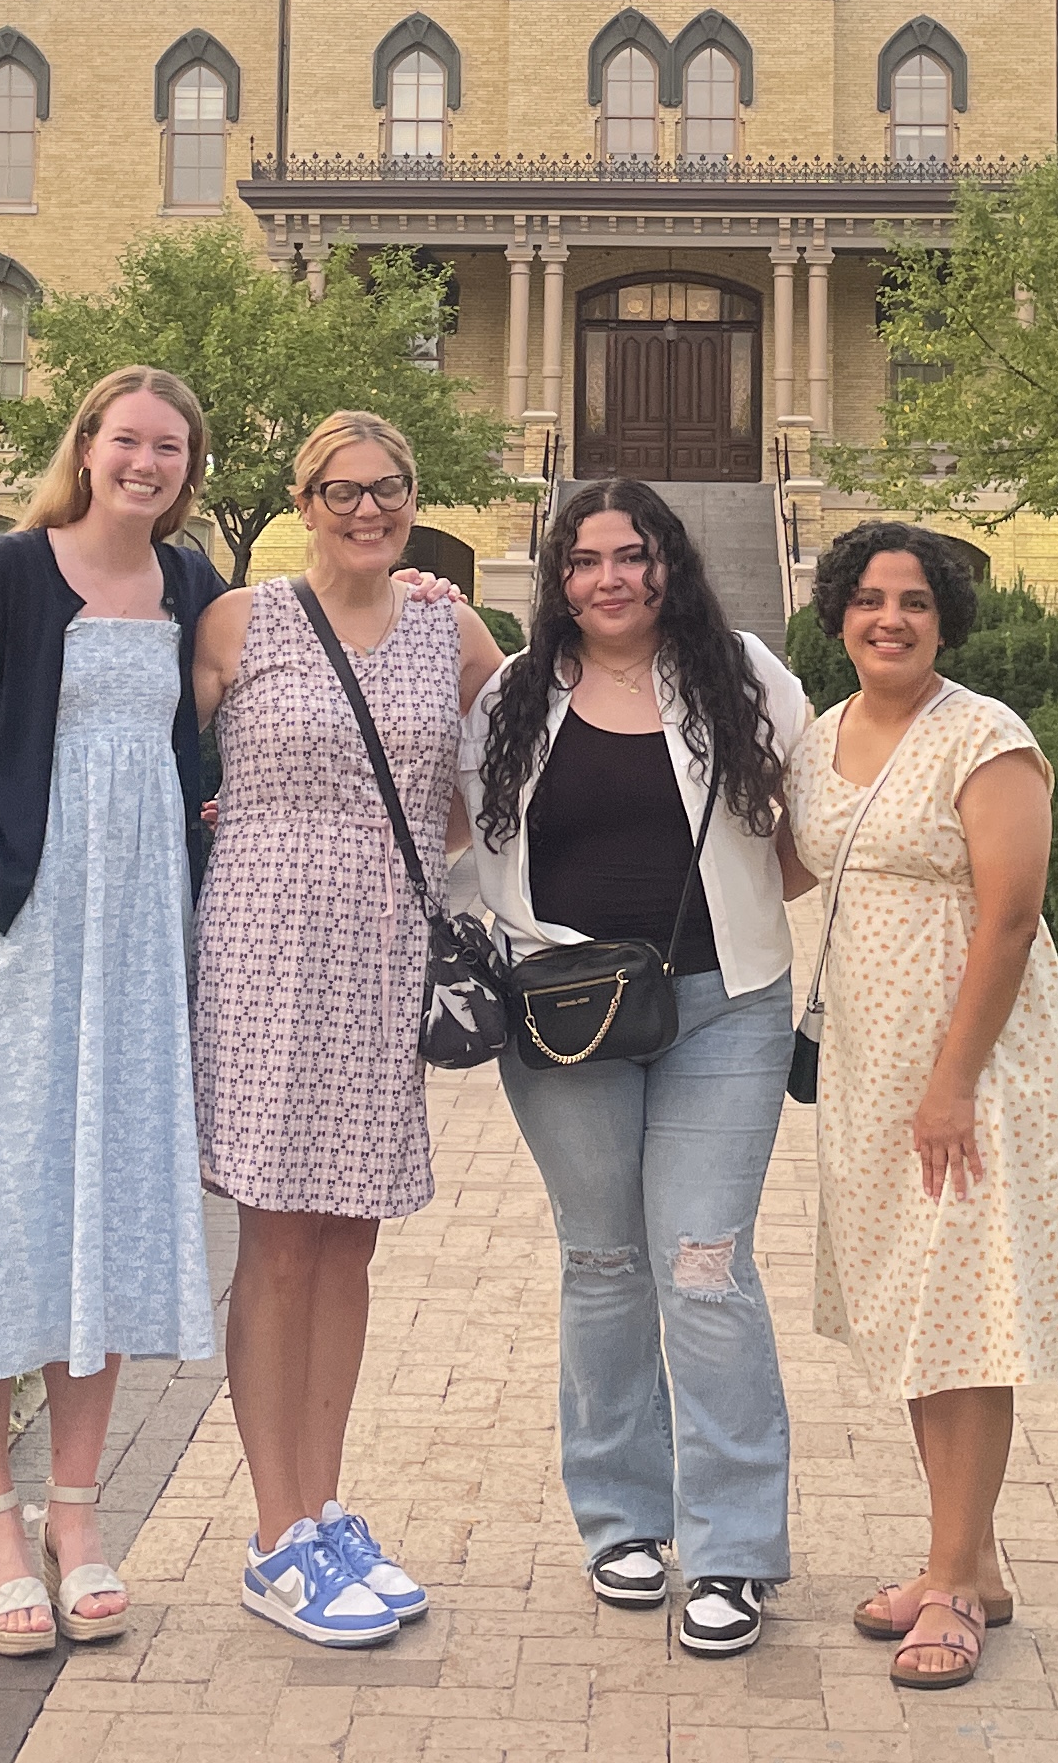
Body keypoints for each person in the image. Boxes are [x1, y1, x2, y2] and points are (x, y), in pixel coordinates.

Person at [0, 366, 226, 1659]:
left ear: (189, 470)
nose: (146, 463)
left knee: (105, 1213)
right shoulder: (6, 576)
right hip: (10, 928)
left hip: (134, 944)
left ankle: (79, 1518)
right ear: (85, 446)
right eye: (126, 440)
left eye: (169, 448)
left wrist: (414, 587)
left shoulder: (191, 588)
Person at [458, 477, 811, 1658]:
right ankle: (621, 1521)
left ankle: (732, 1551)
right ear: (557, 581)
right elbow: (461, 830)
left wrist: (743, 920)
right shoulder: (513, 694)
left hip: (725, 1013)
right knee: (603, 1263)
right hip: (564, 1019)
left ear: (670, 563)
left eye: (633, 554)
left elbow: (806, 830)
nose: (610, 578)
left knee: (703, 1269)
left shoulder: (745, 673)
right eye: (585, 560)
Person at [188, 414, 506, 1646]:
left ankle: (324, 1508)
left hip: (383, 956)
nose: (368, 510)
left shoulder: (449, 624)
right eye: (342, 491)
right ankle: (276, 1537)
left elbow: (529, 742)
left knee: (351, 1245)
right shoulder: (240, 622)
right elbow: (129, 738)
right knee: (276, 1246)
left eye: (390, 490)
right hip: (264, 957)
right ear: (300, 499)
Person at [784, 521, 1058, 1693]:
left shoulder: (985, 736)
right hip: (873, 1070)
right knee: (920, 1314)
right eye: (868, 599)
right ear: (839, 614)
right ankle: (971, 1558)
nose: (890, 619)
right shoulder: (824, 737)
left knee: (964, 1319)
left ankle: (954, 1586)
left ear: (947, 617)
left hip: (973, 1072)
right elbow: (785, 864)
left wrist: (955, 1082)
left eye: (915, 601)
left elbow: (1012, 913)